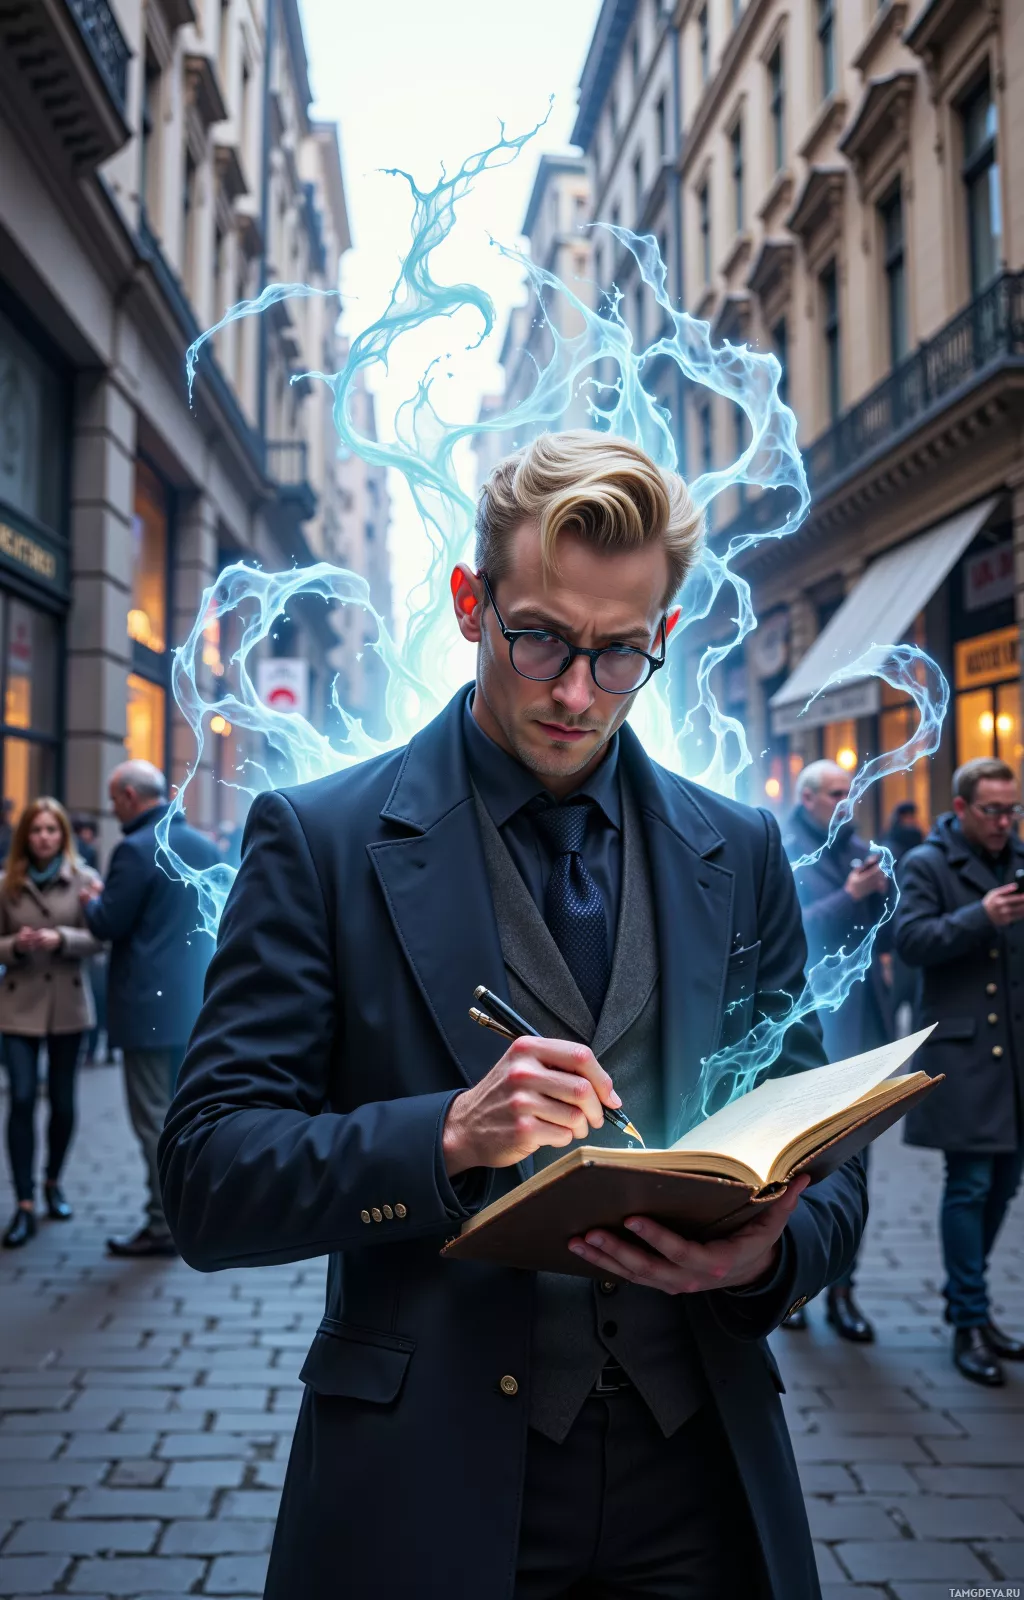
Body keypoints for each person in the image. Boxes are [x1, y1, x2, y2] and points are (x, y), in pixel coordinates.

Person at [159, 433, 868, 1600]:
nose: (576, 691)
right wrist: (446, 1134)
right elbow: (206, 1176)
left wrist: (770, 1254)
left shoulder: (738, 850)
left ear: (664, 636)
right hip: (424, 1480)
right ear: (467, 603)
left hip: (699, 1472)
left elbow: (824, 1150)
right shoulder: (319, 841)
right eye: (538, 637)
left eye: (618, 651)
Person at [895, 756, 1024, 1386]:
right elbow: (910, 941)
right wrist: (981, 917)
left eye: (1012, 809)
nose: (1004, 822)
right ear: (962, 808)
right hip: (966, 1056)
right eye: (993, 810)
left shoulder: (1019, 859)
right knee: (969, 1184)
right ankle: (969, 1320)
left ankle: (968, 1304)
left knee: (1004, 1187)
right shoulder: (928, 864)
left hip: (1016, 1059)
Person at [81, 760, 218, 1258]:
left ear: (130, 796)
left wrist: (91, 899)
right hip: (195, 1004)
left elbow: (108, 923)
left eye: (114, 799)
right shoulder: (202, 845)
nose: (112, 808)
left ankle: (164, 1223)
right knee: (189, 1113)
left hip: (145, 1008)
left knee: (152, 1118)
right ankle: (196, 1213)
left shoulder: (135, 849)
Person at [780, 760, 895, 1343]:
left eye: (849, 793)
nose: (846, 803)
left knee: (856, 1166)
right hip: (809, 1032)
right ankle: (791, 1286)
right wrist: (849, 897)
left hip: (861, 1030)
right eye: (834, 794)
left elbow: (890, 935)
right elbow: (790, 933)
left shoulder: (860, 849)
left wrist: (881, 897)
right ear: (807, 797)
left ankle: (845, 1291)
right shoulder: (783, 847)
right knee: (796, 1167)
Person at [0, 799, 101, 1247]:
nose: (44, 837)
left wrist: (62, 938)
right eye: (37, 830)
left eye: (51, 830)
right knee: (22, 1098)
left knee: (62, 1102)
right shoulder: (6, 884)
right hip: (17, 1006)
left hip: (67, 1003)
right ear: (26, 835)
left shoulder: (85, 881)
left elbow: (100, 939)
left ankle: (53, 1183)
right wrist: (15, 946)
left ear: (63, 835)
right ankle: (23, 1203)